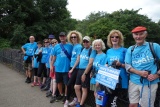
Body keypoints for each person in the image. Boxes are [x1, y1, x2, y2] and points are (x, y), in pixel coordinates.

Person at [125, 26, 160, 107]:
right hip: (133, 82)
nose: (138, 36)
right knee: (132, 104)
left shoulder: (154, 46)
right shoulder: (131, 49)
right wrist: (139, 73)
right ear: (133, 36)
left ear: (145, 35)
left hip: (149, 83)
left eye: (141, 34)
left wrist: (157, 75)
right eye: (136, 34)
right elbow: (127, 66)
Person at [106, 30, 128, 107]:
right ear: (110, 38)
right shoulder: (108, 51)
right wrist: (106, 66)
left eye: (117, 37)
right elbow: (107, 63)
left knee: (119, 103)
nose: (114, 38)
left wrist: (120, 64)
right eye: (112, 37)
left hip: (122, 80)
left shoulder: (125, 50)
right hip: (111, 81)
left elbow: (130, 66)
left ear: (120, 39)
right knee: (111, 102)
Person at [50, 32, 73, 103]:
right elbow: (54, 57)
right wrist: (51, 65)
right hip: (58, 68)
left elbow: (74, 56)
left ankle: (66, 96)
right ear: (59, 37)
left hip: (66, 68)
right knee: (59, 82)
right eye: (61, 36)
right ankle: (61, 94)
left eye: (63, 36)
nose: (62, 38)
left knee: (66, 83)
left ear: (65, 37)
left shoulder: (70, 46)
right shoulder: (56, 46)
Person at [74, 36, 96, 107]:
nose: (85, 43)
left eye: (87, 41)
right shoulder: (83, 49)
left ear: (90, 42)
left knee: (84, 88)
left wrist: (85, 74)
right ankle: (79, 101)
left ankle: (81, 104)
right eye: (84, 41)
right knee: (76, 87)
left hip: (86, 70)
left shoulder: (92, 50)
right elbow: (79, 59)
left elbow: (90, 63)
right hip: (80, 70)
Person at [64, 30, 83, 107]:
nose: (73, 38)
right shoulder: (73, 46)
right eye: (72, 37)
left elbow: (78, 59)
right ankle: (75, 99)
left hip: (76, 68)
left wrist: (72, 69)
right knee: (74, 84)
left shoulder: (79, 46)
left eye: (75, 37)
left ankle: (67, 100)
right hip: (72, 67)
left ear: (78, 37)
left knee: (69, 84)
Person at [90, 39, 107, 107]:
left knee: (99, 95)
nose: (97, 46)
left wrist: (99, 80)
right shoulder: (96, 55)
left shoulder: (104, 56)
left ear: (101, 46)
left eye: (99, 45)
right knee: (95, 94)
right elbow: (94, 66)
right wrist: (91, 72)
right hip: (94, 78)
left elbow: (103, 69)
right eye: (96, 45)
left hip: (99, 79)